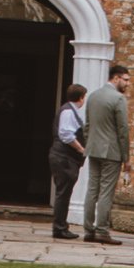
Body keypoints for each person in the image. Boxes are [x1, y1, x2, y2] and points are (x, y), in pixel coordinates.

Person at [81, 63, 131, 244]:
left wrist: (89, 144)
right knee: (106, 192)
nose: (127, 84)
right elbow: (122, 130)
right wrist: (126, 158)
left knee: (92, 189)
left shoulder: (93, 96)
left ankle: (88, 230)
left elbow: (87, 125)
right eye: (125, 80)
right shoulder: (118, 99)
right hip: (111, 151)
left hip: (94, 149)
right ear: (115, 78)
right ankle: (101, 230)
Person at [49, 84, 88, 240]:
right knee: (63, 193)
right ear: (81, 97)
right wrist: (81, 149)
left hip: (63, 157)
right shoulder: (68, 111)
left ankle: (61, 226)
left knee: (64, 192)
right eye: (84, 97)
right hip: (64, 157)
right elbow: (66, 134)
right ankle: (59, 228)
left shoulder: (69, 110)